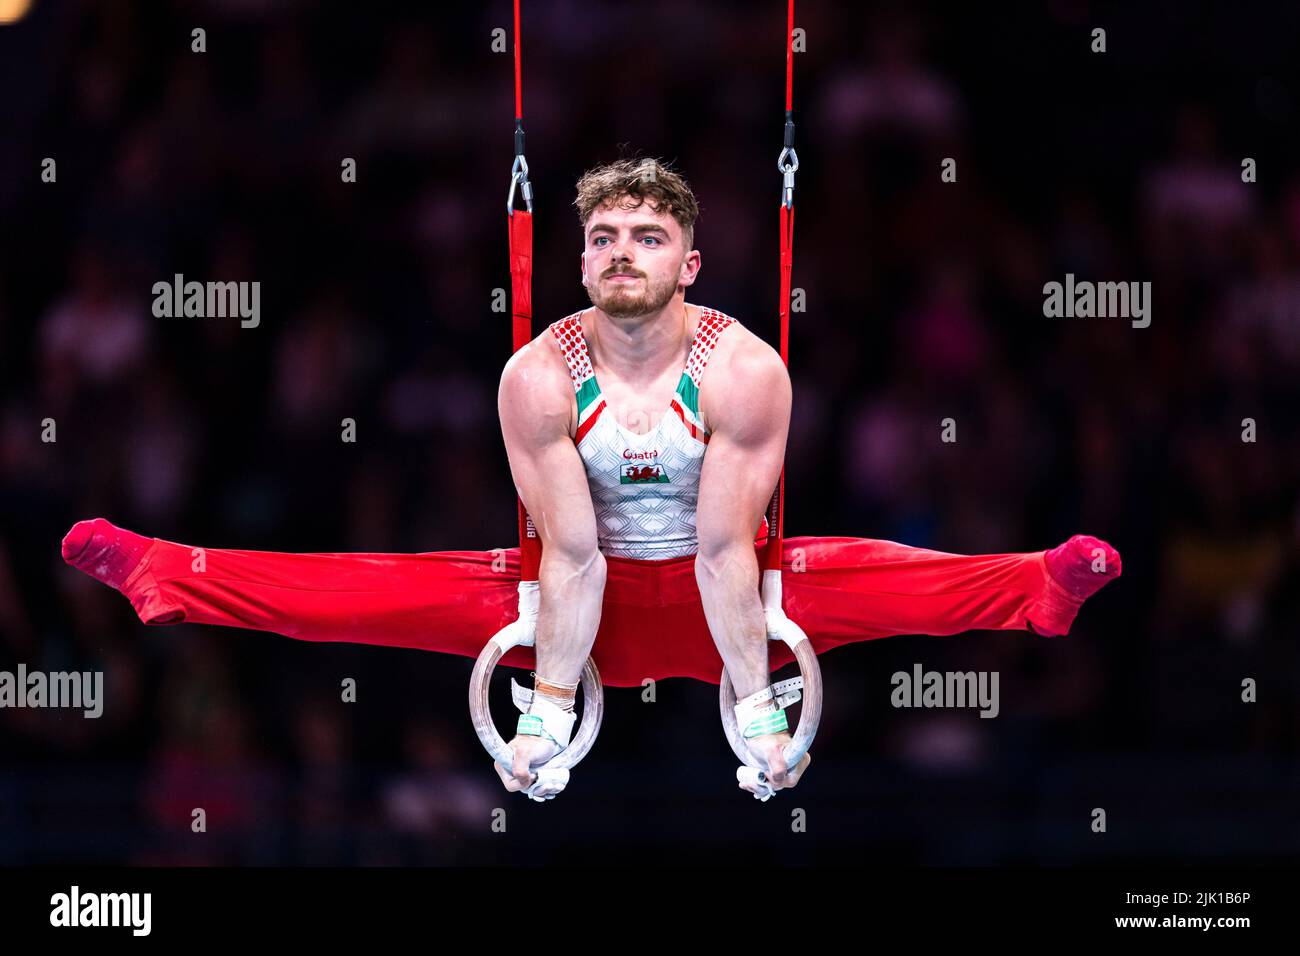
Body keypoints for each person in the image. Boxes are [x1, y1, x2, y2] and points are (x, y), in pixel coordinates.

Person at [62, 158, 1121, 800]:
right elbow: (568, 550)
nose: (624, 252)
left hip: (731, 594)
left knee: (892, 578)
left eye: (649, 236)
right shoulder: (535, 372)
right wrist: (543, 712)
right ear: (577, 261)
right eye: (605, 236)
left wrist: (759, 712)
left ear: (689, 264)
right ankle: (166, 570)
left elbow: (719, 548)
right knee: (357, 588)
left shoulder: (745, 368)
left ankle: (1035, 586)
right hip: (566, 597)